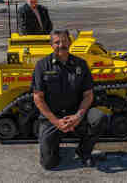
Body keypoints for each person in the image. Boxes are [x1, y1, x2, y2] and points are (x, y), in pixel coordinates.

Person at [32, 29, 107, 169]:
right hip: (52, 118)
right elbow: (38, 98)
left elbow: (88, 95)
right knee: (49, 164)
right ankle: (53, 147)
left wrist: (78, 116)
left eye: (64, 41)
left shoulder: (81, 64)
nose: (61, 45)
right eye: (57, 42)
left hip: (76, 114)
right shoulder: (42, 66)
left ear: (70, 42)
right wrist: (56, 122)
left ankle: (83, 151)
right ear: (51, 45)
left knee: (100, 117)